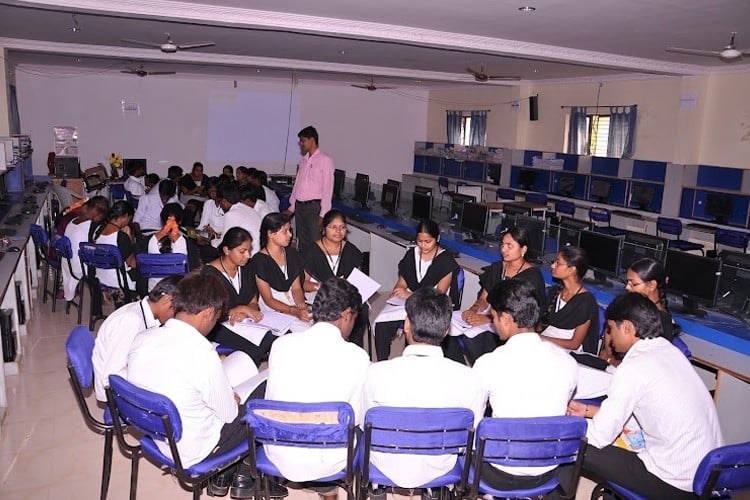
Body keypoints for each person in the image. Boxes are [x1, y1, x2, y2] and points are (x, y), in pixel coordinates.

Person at [127, 272, 283, 499]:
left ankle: (226, 476)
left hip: (159, 434)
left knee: (240, 362)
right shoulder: (201, 353)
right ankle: (245, 474)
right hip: (196, 448)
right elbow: (230, 416)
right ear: (209, 313)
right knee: (270, 384)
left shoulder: (144, 337)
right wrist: (230, 398)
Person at [567, 292, 723, 499]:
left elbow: (599, 436)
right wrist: (589, 410)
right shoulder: (668, 351)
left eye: (611, 329)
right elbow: (647, 409)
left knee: (570, 444)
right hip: (707, 475)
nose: (610, 339)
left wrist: (568, 425)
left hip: (673, 483)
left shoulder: (633, 367)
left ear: (628, 328)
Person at [362, 288, 484, 493]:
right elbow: (472, 436)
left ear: (407, 325)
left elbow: (364, 423)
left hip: (385, 462)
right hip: (440, 465)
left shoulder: (375, 372)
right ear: (447, 330)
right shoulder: (469, 378)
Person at [264, 278, 369, 500]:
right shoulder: (357, 357)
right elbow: (358, 419)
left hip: (279, 451)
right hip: (329, 459)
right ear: (347, 314)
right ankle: (328, 487)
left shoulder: (281, 345)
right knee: (362, 421)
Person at [472, 280, 578, 497]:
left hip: (497, 473)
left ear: (507, 319)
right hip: (549, 471)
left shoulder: (488, 363)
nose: (492, 323)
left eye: (493, 317)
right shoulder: (567, 362)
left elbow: (472, 423)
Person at [444, 226, 546, 365]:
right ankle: (459, 367)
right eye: (502, 245)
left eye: (510, 246)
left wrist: (488, 319)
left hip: (512, 323)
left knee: (472, 337)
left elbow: (523, 315)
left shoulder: (532, 277)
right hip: (491, 313)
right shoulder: (497, 267)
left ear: (523, 250)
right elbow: (484, 298)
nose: (504, 249)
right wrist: (473, 310)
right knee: (446, 325)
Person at [373, 219, 458, 361]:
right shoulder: (411, 255)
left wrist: (410, 295)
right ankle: (382, 361)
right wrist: (399, 290)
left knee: (417, 328)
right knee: (382, 323)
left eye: (428, 242)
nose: (423, 246)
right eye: (419, 241)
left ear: (437, 239)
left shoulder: (446, 261)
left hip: (431, 307)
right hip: (407, 303)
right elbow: (401, 283)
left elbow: (439, 295)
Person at [92, 275, 180, 401]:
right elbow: (110, 377)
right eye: (178, 311)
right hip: (116, 392)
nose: (177, 317)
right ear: (166, 300)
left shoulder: (143, 312)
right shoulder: (130, 321)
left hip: (128, 374)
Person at [203, 228, 277, 365]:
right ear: (227, 250)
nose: (248, 255)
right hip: (217, 325)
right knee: (253, 349)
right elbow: (207, 312)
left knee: (273, 338)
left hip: (243, 322)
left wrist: (246, 311)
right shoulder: (209, 274)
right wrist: (240, 309)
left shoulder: (246, 268)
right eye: (242, 251)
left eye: (249, 250)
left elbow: (253, 302)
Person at [302, 209, 368, 347]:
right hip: (321, 295)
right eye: (333, 227)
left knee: (361, 310)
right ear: (323, 229)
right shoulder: (311, 251)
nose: (338, 231)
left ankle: (353, 349)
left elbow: (358, 280)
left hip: (346, 296)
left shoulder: (352, 251)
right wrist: (321, 286)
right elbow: (303, 283)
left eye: (342, 227)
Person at [252, 213, 312, 330]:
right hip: (274, 307)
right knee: (304, 331)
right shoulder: (259, 260)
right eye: (285, 231)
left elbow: (297, 289)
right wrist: (293, 311)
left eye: (290, 230)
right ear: (271, 234)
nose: (290, 235)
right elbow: (268, 299)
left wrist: (301, 306)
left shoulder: (291, 254)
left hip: (292, 302)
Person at [286, 126, 334, 254]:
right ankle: (305, 271)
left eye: (303, 140)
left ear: (312, 140)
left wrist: (323, 214)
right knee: (302, 242)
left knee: (315, 243)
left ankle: (316, 272)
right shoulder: (303, 161)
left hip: (314, 208)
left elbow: (328, 188)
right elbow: (297, 185)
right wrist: (292, 207)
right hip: (300, 207)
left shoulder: (325, 160)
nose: (301, 144)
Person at [541, 246, 599, 353]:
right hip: (547, 342)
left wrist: (543, 339)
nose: (553, 266)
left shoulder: (586, 301)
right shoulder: (555, 291)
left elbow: (574, 344)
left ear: (572, 269)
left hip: (568, 350)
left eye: (558, 263)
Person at [61, 199, 109, 302]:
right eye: (101, 216)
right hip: (80, 266)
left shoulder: (73, 221)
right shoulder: (90, 226)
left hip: (67, 263)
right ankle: (100, 303)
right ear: (97, 212)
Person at [93, 200, 137, 298]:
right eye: (129, 219)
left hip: (101, 276)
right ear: (125, 216)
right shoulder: (121, 237)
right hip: (119, 280)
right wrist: (130, 239)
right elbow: (131, 263)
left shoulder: (98, 230)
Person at [218, 183, 262, 255]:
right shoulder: (248, 208)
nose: (220, 205)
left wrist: (210, 241)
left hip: (248, 252)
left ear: (224, 200)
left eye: (220, 201)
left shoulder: (231, 214)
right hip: (258, 250)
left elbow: (224, 241)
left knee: (209, 249)